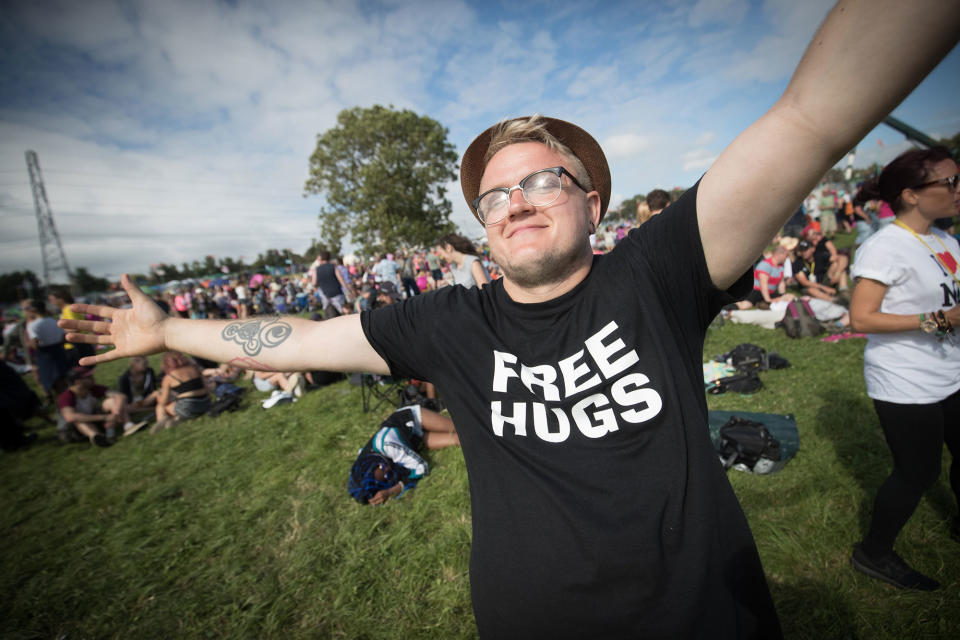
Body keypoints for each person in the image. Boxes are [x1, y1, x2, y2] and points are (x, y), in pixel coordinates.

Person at [60, 5, 958, 636]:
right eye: (495, 195)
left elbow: (812, 115)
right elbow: (292, 340)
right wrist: (168, 334)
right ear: (482, 225)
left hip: (703, 620)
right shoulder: (447, 322)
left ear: (592, 203)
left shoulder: (658, 274)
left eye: (542, 181)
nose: (517, 202)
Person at [849, 145, 960, 591]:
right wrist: (940, 320)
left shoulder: (944, 239)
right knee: (918, 472)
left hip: (950, 371)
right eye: (949, 182)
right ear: (912, 194)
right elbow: (861, 318)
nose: (957, 189)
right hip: (905, 381)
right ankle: (873, 553)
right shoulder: (884, 247)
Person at [348, 404, 460, 505]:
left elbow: (421, 467)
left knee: (460, 428)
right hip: (414, 441)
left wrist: (392, 490)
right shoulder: (363, 462)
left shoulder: (386, 444)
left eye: (381, 467)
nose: (387, 469)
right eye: (387, 477)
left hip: (413, 419)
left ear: (370, 466)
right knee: (457, 439)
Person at [57, 367, 138, 445]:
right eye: (88, 377)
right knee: (78, 420)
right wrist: (105, 417)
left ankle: (127, 425)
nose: (93, 378)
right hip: (71, 430)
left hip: (94, 419)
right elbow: (70, 417)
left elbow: (120, 396)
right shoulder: (66, 397)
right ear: (77, 382)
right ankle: (96, 437)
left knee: (111, 401)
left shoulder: (93, 388)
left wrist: (116, 413)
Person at [21, 299, 69, 398]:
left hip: (45, 355)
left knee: (51, 381)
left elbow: (34, 344)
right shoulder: (55, 321)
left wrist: (28, 344)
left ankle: (61, 402)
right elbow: (64, 338)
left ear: (33, 309)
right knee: (63, 378)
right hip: (59, 350)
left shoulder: (33, 325)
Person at [154, 352, 211, 430]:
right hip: (206, 404)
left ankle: (163, 422)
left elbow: (164, 401)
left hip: (188, 407)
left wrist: (158, 396)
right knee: (180, 402)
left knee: (160, 406)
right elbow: (207, 388)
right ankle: (178, 419)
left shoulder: (169, 377)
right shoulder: (195, 369)